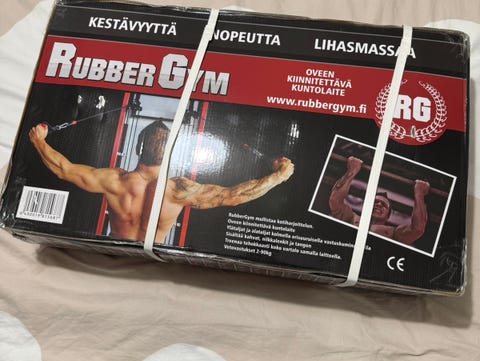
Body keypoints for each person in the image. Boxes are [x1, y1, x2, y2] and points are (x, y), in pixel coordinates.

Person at [29, 120, 294, 243]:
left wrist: (39, 141)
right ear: (170, 155)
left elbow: (64, 169)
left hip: (112, 252)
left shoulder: (115, 181)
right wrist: (278, 176)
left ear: (137, 149)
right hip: (151, 260)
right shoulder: (179, 190)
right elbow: (233, 196)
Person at [329, 155, 430, 245]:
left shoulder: (393, 233)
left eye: (384, 205)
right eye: (375, 202)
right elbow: (335, 200)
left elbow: (417, 229)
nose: (378, 204)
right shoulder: (351, 217)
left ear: (387, 216)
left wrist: (419, 194)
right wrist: (352, 171)